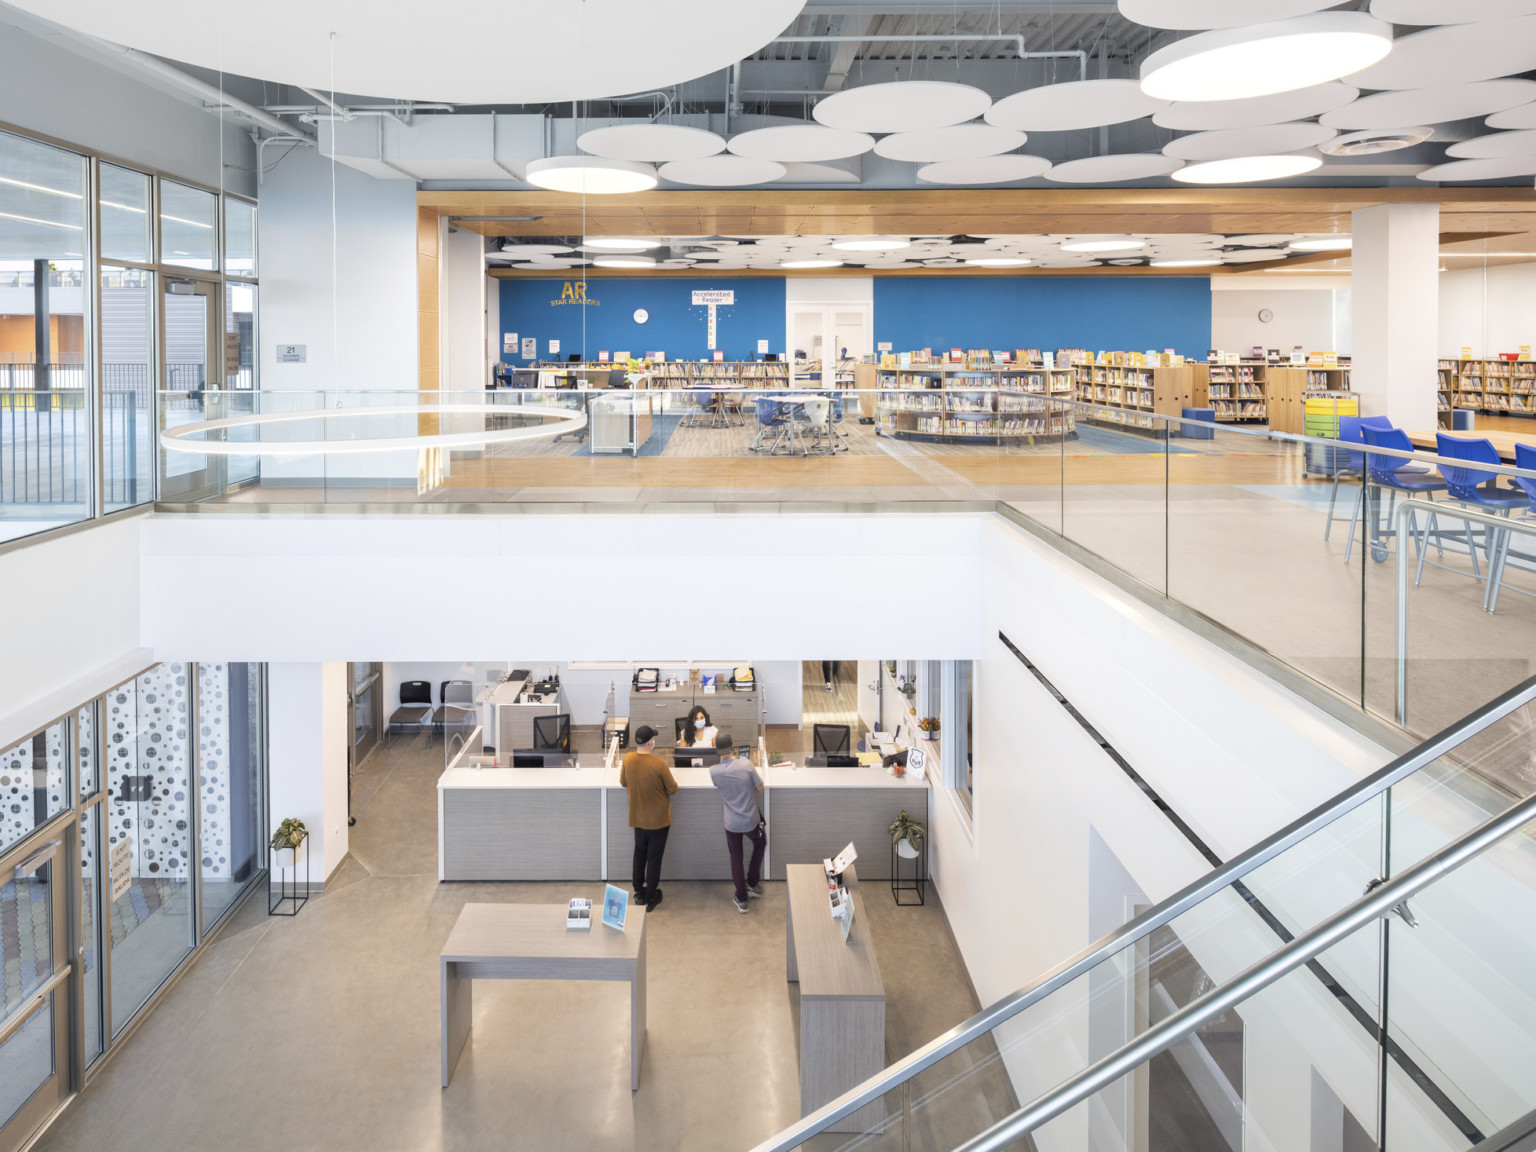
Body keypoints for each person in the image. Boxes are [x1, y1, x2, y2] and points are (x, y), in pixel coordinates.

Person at [620, 725, 678, 911]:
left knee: (639, 855)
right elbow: (673, 788)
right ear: (650, 742)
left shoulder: (628, 760)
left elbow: (623, 782)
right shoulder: (659, 764)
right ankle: (651, 896)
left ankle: (638, 890)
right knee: (654, 859)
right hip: (658, 821)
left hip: (638, 819)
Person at [708, 732, 765, 914]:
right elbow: (761, 787)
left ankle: (741, 899)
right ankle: (753, 883)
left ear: (717, 750)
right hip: (750, 821)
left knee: (736, 858)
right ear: (733, 746)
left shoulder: (714, 772)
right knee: (760, 843)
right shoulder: (746, 765)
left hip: (731, 823)